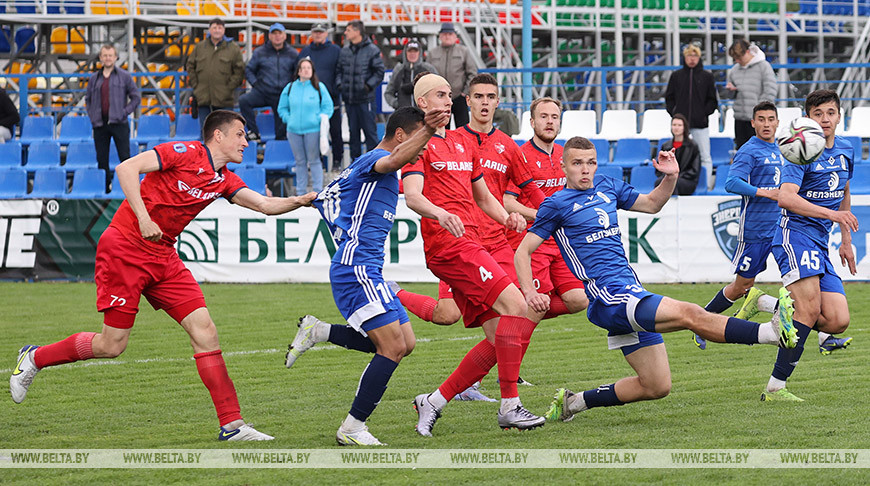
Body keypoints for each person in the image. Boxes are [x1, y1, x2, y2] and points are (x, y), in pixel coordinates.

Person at [10, 110, 317, 441]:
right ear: (219, 136)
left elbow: (264, 206)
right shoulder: (183, 151)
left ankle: (232, 425)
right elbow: (126, 168)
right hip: (125, 248)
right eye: (241, 134)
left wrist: (299, 200)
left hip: (163, 256)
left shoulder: (224, 180)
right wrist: (142, 217)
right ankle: (35, 356)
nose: (246, 141)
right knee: (112, 345)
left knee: (205, 331)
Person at [509, 137, 797, 423]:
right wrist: (528, 293)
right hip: (609, 299)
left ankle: (575, 402)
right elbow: (523, 252)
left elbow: (652, 204)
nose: (585, 169)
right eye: (577, 163)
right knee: (690, 313)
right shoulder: (556, 204)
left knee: (656, 386)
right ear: (564, 166)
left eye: (591, 163)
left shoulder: (608, 187)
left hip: (630, 292)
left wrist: (670, 177)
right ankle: (769, 334)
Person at [282, 106, 451, 446]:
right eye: (418, 141)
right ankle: (352, 427)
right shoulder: (377, 160)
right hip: (355, 269)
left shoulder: (380, 170)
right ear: (402, 136)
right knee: (391, 347)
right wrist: (429, 130)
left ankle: (320, 331)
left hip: (368, 269)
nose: (422, 150)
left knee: (406, 344)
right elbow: (390, 160)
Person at [402, 74, 547, 435]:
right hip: (449, 245)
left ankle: (432, 401)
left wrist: (507, 217)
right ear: (423, 103)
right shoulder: (417, 146)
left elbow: (484, 197)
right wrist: (441, 213)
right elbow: (413, 195)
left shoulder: (463, 145)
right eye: (440, 94)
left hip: (473, 244)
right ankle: (510, 407)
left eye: (450, 94)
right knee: (518, 307)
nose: (448, 100)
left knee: (499, 336)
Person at [692, 101, 854, 354]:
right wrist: (765, 193)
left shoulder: (790, 147)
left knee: (807, 292)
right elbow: (731, 182)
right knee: (741, 286)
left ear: (778, 122)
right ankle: (701, 320)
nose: (766, 124)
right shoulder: (749, 150)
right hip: (758, 229)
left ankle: (825, 336)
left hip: (789, 228)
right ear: (753, 123)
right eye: (761, 119)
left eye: (771, 119)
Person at [763, 89, 858, 401]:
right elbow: (786, 198)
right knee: (809, 309)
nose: (825, 119)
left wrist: (845, 238)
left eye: (830, 112)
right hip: (794, 235)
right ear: (809, 119)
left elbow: (844, 190)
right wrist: (833, 214)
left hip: (820, 242)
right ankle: (776, 388)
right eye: (818, 114)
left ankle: (767, 305)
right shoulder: (800, 150)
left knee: (838, 320)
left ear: (839, 115)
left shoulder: (846, 149)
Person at [503, 97, 589, 319]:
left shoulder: (565, 155)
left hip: (560, 242)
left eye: (554, 117)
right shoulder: (521, 155)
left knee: (580, 298)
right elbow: (508, 201)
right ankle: (512, 329)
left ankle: (516, 311)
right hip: (532, 241)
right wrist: (543, 217)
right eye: (543, 117)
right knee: (534, 306)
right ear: (532, 122)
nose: (549, 122)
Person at [85, 44, 140, 191]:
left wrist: (124, 112)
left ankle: (130, 190)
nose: (107, 58)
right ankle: (106, 188)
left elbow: (136, 98)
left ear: (115, 57)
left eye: (110, 55)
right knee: (101, 159)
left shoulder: (124, 77)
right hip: (99, 124)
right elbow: (88, 99)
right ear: (101, 58)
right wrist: (92, 116)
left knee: (125, 158)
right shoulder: (94, 79)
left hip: (119, 123)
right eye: (105, 55)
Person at [277, 57, 334, 195]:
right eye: (303, 68)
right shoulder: (290, 87)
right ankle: (301, 193)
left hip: (313, 130)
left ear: (312, 70)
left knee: (314, 160)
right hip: (293, 130)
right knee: (300, 162)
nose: (306, 70)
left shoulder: (319, 87)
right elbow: (282, 108)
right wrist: (288, 119)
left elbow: (328, 107)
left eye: (308, 68)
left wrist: (317, 119)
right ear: (299, 71)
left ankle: (317, 192)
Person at [664, 44, 717, 188]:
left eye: (695, 56)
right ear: (684, 57)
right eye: (689, 56)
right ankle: (676, 185)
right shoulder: (676, 76)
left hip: (700, 124)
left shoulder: (707, 76)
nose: (692, 59)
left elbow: (713, 100)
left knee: (705, 155)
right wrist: (675, 114)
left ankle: (705, 186)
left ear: (699, 58)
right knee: (678, 155)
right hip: (681, 125)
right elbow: (669, 97)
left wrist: (703, 113)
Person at [336, 20, 384, 167]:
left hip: (365, 100)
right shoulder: (345, 50)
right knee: (353, 136)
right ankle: (355, 168)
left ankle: (374, 166)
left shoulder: (372, 50)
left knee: (370, 134)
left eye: (348, 30)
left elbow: (379, 71)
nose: (345, 33)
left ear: (357, 32)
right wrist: (340, 85)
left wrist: (367, 86)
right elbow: (339, 71)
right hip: (350, 101)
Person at [238, 23, 298, 142]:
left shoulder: (293, 53)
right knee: (244, 101)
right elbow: (249, 69)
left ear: (285, 36)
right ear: (269, 36)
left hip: (282, 95)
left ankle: (279, 148)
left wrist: (291, 88)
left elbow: (297, 72)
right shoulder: (260, 52)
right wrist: (256, 83)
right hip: (263, 91)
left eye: (279, 33)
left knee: (281, 133)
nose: (277, 36)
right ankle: (254, 132)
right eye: (274, 33)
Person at [186, 18, 244, 131]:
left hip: (225, 99)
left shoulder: (233, 48)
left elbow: (239, 70)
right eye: (214, 28)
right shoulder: (200, 47)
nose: (217, 30)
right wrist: (196, 87)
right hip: (203, 98)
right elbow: (190, 66)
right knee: (206, 132)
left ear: (224, 30)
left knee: (226, 131)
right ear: (209, 30)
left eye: (220, 28)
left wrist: (229, 88)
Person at [299, 23, 343, 171]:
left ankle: (337, 161)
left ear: (326, 34)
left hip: (332, 99)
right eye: (315, 32)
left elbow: (340, 71)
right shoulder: (305, 51)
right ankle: (318, 164)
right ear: (311, 33)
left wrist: (337, 87)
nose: (318, 34)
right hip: (312, 103)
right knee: (314, 134)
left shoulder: (335, 50)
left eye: (321, 32)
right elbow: (298, 74)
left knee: (335, 132)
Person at [726, 40, 777, 149]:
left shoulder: (764, 66)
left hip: (759, 120)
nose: (737, 60)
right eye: (735, 58)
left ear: (748, 51)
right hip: (740, 119)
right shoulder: (734, 70)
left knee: (761, 150)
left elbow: (770, 90)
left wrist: (761, 113)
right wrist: (731, 91)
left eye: (740, 57)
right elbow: (730, 96)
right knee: (742, 151)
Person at [427, 22, 477, 128]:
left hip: (459, 96)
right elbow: (428, 75)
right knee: (442, 129)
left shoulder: (464, 52)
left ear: (455, 36)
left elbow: (472, 73)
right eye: (444, 34)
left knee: (463, 129)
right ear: (440, 36)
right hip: (439, 99)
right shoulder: (432, 53)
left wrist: (465, 92)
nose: (447, 37)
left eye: (450, 34)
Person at [655, 114, 700, 195]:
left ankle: (673, 207)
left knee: (674, 183)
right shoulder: (665, 146)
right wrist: (668, 175)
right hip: (668, 178)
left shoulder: (693, 146)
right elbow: (659, 169)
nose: (676, 127)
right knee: (658, 182)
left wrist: (677, 175)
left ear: (684, 127)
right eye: (674, 125)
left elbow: (695, 170)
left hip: (686, 180)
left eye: (679, 125)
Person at [385, 41, 437, 110]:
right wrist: (396, 103)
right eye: (410, 51)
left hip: (424, 113)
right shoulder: (398, 69)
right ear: (405, 53)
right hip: (404, 114)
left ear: (420, 53)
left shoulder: (429, 69)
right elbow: (388, 92)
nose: (412, 54)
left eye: (415, 51)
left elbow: (438, 89)